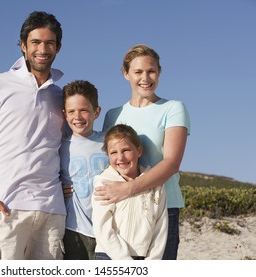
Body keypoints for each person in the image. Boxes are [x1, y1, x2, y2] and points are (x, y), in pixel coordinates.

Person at [0, 11, 66, 260]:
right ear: (23, 46)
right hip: (7, 207)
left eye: (49, 43)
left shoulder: (62, 96)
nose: (42, 49)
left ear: (58, 47)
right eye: (35, 42)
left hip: (52, 210)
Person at [95, 44, 190, 260]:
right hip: (122, 208)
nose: (145, 78)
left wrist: (129, 188)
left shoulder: (173, 109)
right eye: (138, 72)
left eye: (151, 71)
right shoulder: (113, 115)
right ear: (126, 74)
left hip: (162, 208)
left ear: (159, 72)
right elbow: (110, 159)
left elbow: (172, 163)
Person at [92, 124, 168, 260]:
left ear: (139, 151)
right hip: (109, 256)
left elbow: (161, 228)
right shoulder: (104, 182)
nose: (120, 157)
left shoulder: (156, 185)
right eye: (113, 152)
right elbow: (102, 227)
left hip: (144, 257)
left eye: (126, 150)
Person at [59, 80, 109, 260]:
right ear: (65, 114)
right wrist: (58, 189)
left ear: (96, 112)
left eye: (84, 110)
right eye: (71, 111)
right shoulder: (60, 147)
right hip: (75, 228)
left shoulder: (109, 141)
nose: (77, 116)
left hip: (109, 227)